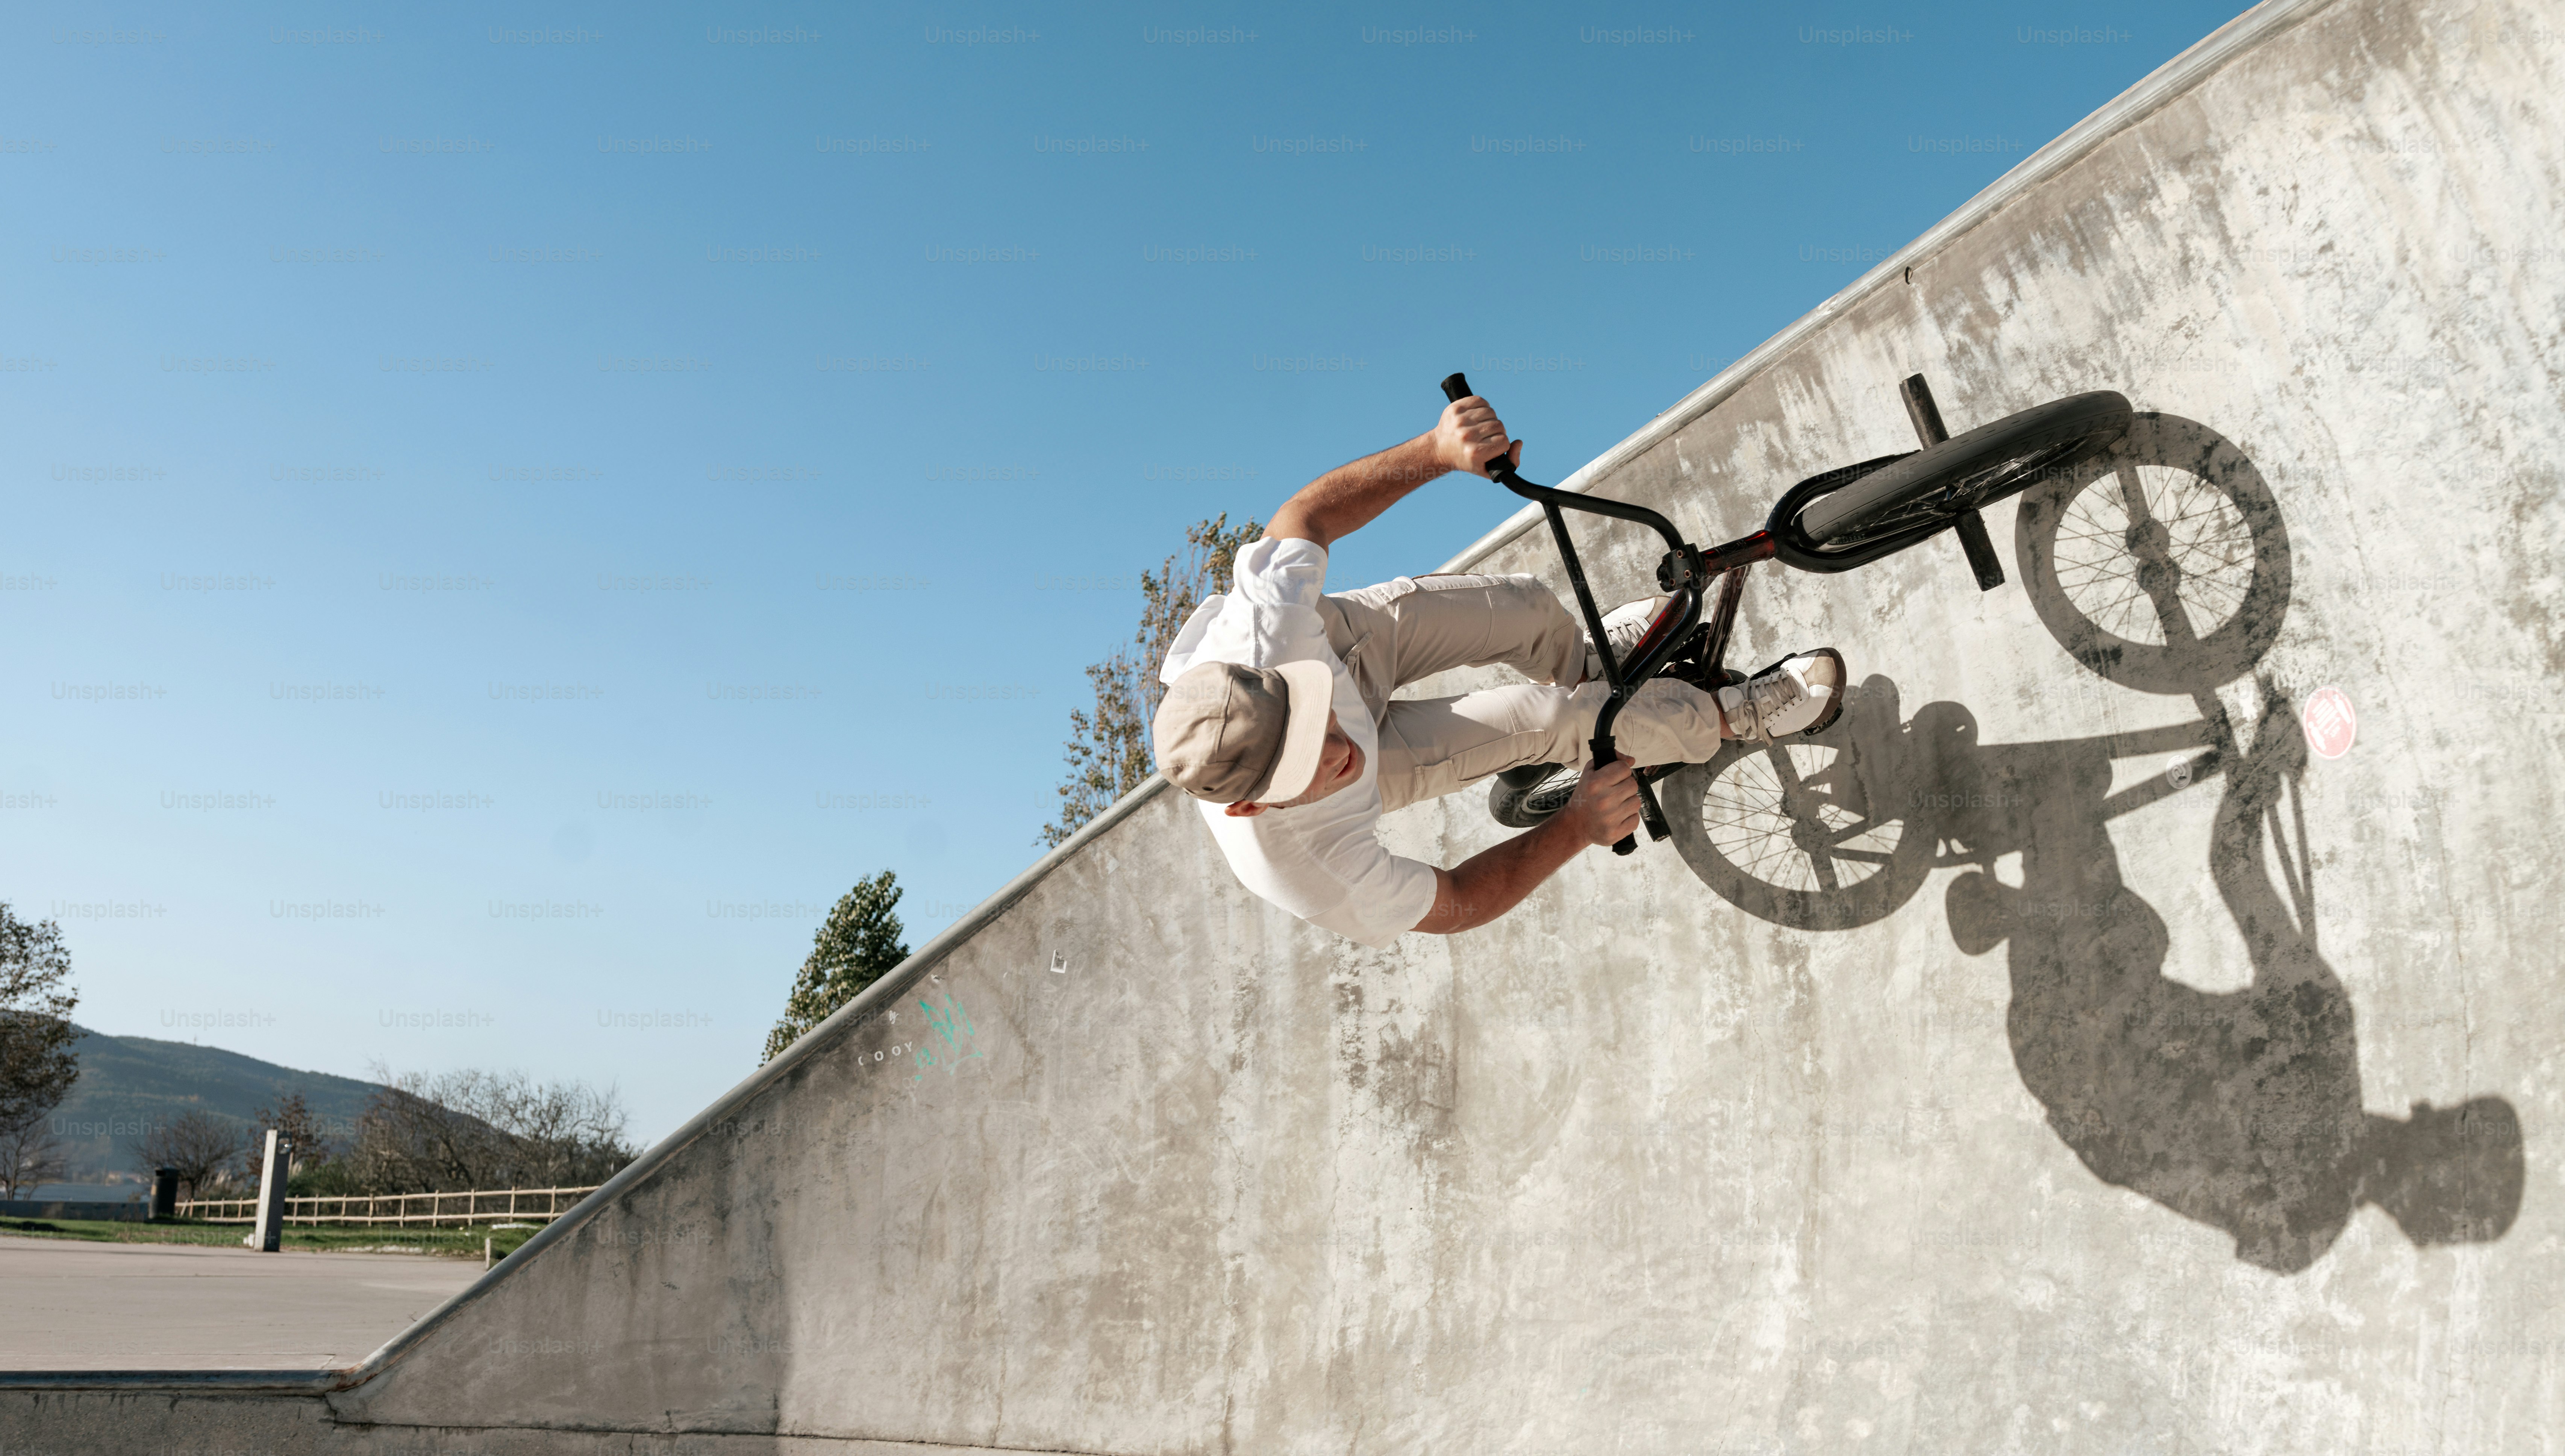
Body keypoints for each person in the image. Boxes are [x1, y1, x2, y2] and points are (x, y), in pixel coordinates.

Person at [1151, 392, 1845, 945]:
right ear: (1250, 805)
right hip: (1391, 762)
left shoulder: (1266, 628)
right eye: (1307, 761)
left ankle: (1589, 657)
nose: (1339, 751)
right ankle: (1731, 714)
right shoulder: (1305, 866)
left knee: (1522, 606)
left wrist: (1436, 450)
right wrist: (1577, 825)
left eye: (1313, 717)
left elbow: (1307, 515)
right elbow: (1454, 903)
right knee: (1557, 720)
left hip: (1341, 647)